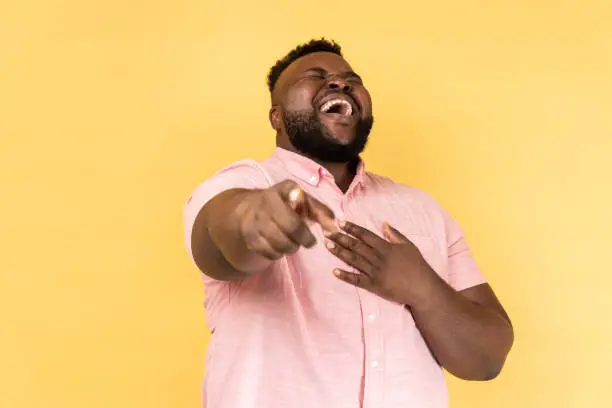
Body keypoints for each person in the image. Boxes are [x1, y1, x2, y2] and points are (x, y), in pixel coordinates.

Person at [183, 39, 514, 408]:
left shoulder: (423, 210)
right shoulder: (244, 184)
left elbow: (487, 358)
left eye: (350, 79)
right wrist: (253, 220)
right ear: (276, 117)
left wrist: (423, 289)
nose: (339, 84)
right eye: (316, 76)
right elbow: (218, 238)